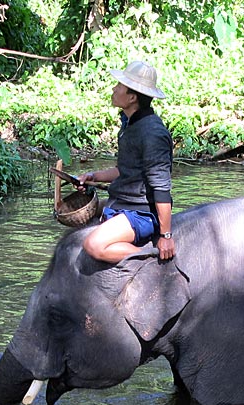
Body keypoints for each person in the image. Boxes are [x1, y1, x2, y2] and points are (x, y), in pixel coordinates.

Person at [77, 60, 175, 264]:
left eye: (119, 85)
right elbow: (124, 171)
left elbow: (161, 188)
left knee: (93, 245)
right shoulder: (130, 122)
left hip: (142, 212)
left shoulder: (152, 133)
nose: (114, 88)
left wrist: (166, 236)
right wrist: (93, 177)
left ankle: (150, 257)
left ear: (132, 97)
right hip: (124, 202)